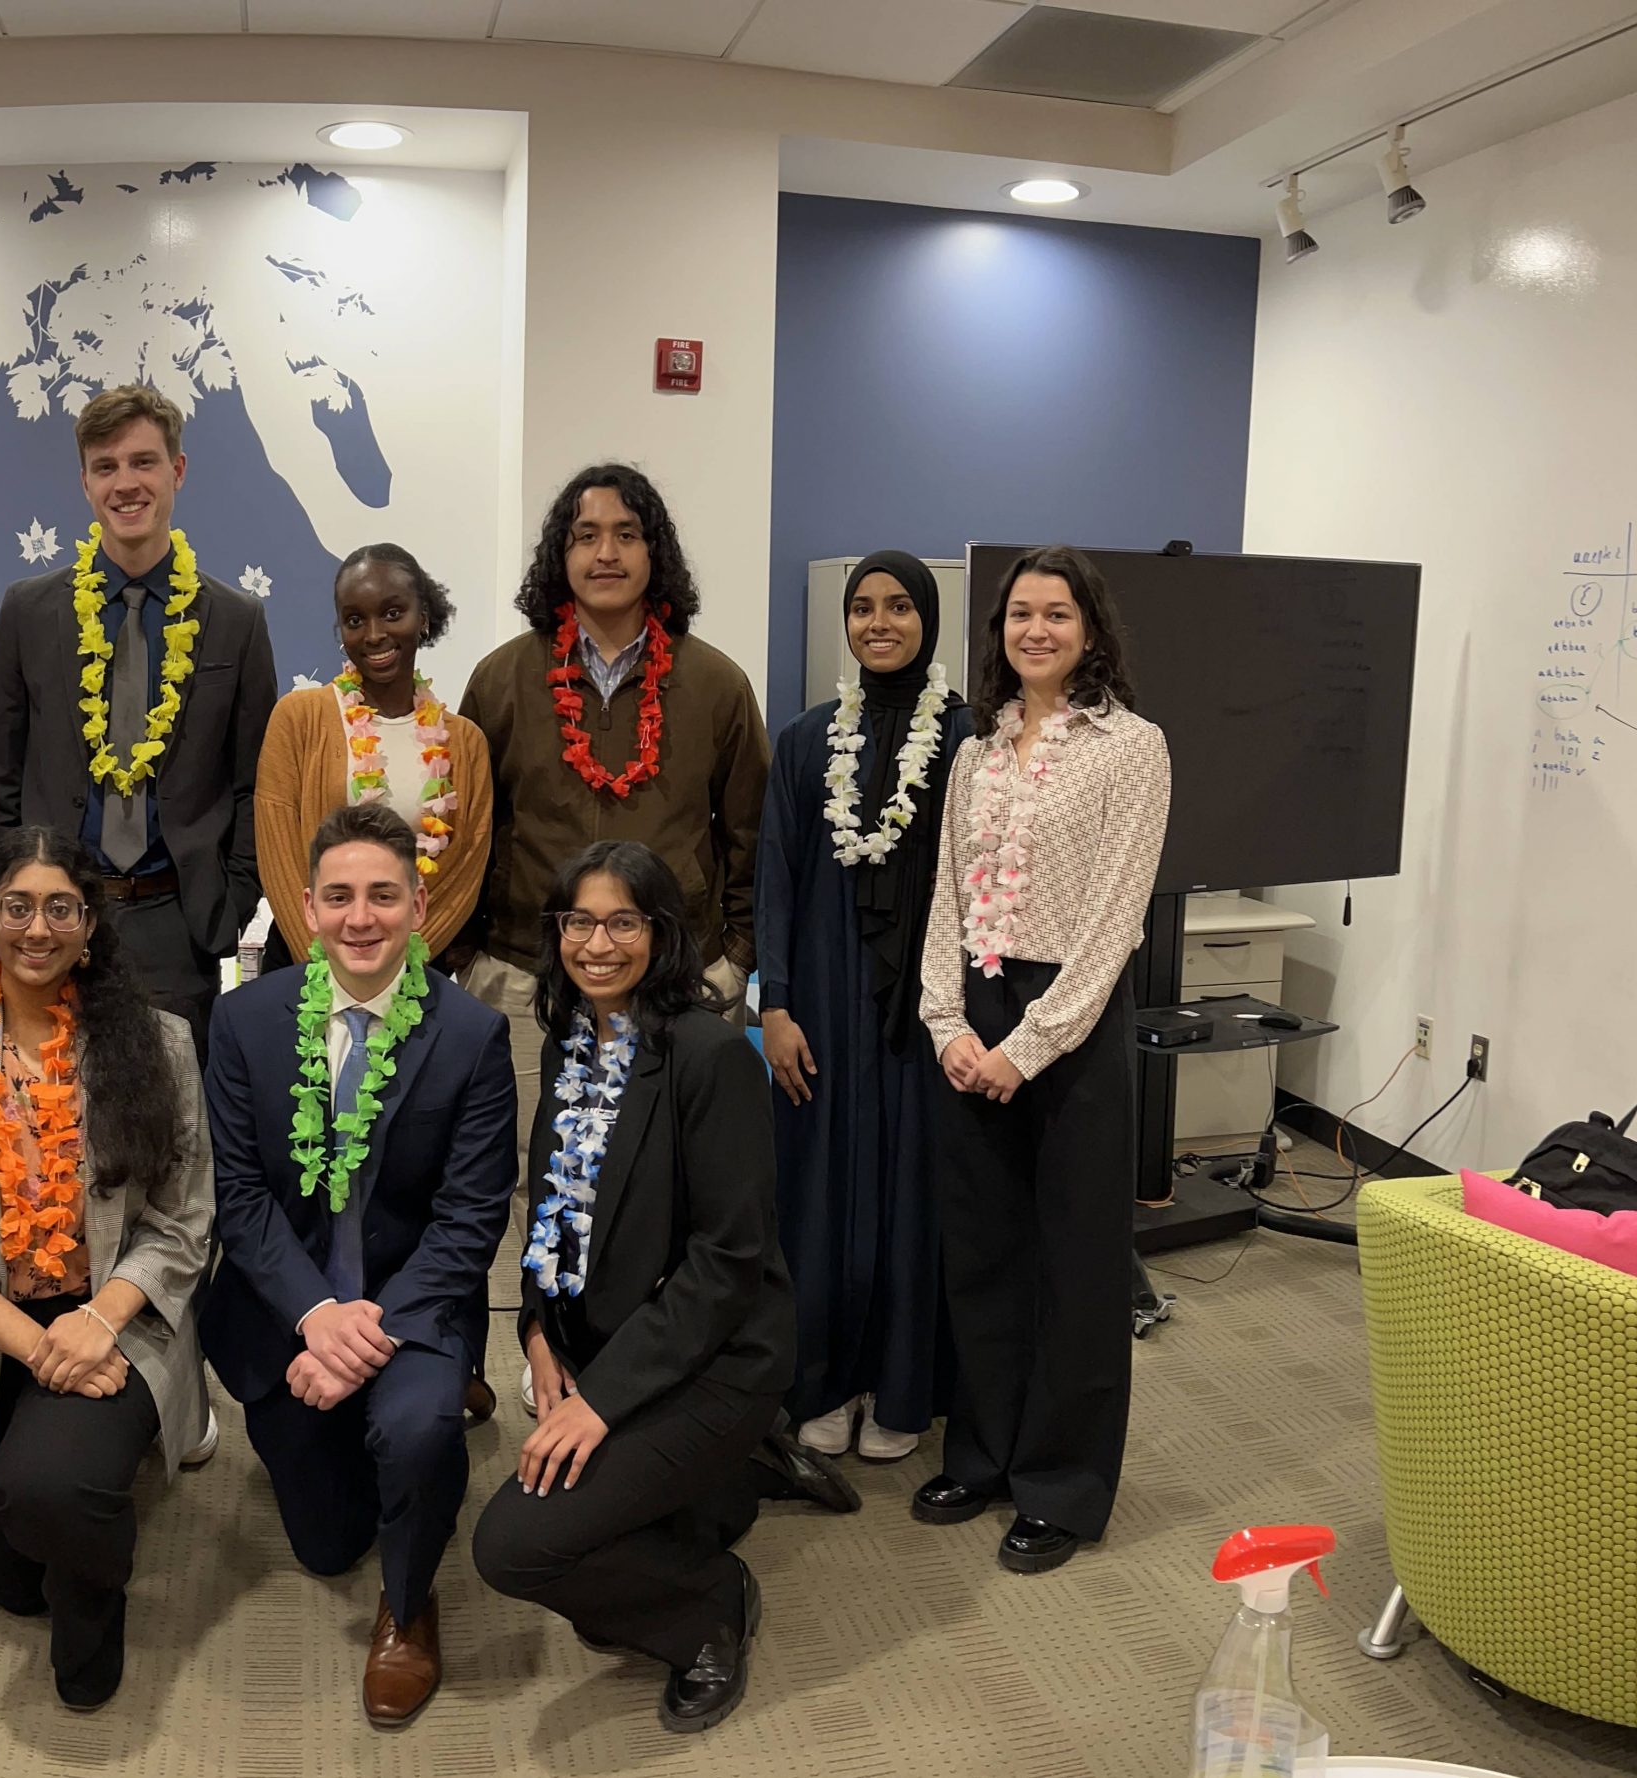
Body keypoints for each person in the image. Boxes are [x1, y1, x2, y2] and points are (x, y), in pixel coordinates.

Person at [0, 825, 212, 1712]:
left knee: (47, 1499)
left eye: (61, 907)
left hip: (114, 1318)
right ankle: (78, 1490)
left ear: (90, 924)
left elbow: (184, 1222)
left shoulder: (162, 1045)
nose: (38, 928)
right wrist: (39, 1346)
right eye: (16, 906)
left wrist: (96, 1323)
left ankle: (100, 1592)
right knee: (11, 1582)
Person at [201, 802, 516, 1725]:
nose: (361, 917)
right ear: (305, 907)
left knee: (415, 1436)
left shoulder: (469, 1035)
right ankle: (368, 1423)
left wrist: (364, 1327)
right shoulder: (245, 1022)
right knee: (329, 1544)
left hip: (411, 1302)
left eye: (383, 895)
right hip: (288, 1310)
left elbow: (469, 1220)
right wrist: (314, 1316)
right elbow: (241, 1200)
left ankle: (410, 1609)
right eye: (338, 897)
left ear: (419, 905)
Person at [472, 843, 794, 1736]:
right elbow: (547, 1216)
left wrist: (601, 1404)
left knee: (512, 1549)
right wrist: (536, 1337)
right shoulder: (571, 1043)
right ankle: (723, 1490)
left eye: (624, 922)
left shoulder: (711, 1055)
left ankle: (709, 1609)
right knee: (591, 1518)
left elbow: (727, 1264)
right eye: (579, 921)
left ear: (663, 933)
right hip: (605, 1342)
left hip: (717, 1360)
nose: (598, 944)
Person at [911, 544, 1169, 1575]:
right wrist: (944, 1021)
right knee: (980, 1250)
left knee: (1073, 1260)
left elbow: (1115, 921)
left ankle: (1060, 1482)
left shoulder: (1133, 747)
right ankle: (982, 1452)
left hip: (1073, 1012)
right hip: (976, 1001)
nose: (1035, 630)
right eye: (1019, 613)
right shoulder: (976, 746)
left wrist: (1027, 1045)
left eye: (1056, 613)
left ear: (1091, 630)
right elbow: (948, 893)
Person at [457, 463, 766, 1151]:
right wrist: (470, 955)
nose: (605, 553)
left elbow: (753, 837)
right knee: (519, 1177)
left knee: (666, 1173)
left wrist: (735, 957)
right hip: (522, 978)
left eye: (626, 534)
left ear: (654, 553)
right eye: (586, 535)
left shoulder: (716, 682)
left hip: (679, 981)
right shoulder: (501, 678)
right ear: (559, 556)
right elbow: (466, 831)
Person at [0, 383, 278, 1058]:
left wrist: (232, 898)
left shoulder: (235, 621)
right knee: (43, 1120)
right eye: (106, 467)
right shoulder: (29, 610)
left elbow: (258, 781)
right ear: (84, 482)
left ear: (178, 471)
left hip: (178, 918)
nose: (125, 483)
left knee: (171, 1129)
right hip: (51, 918)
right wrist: (6, 901)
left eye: (143, 462)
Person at [757, 551, 972, 1462]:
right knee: (820, 1189)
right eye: (861, 608)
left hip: (929, 1007)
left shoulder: (971, 741)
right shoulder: (808, 741)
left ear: (928, 616)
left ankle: (900, 1388)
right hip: (824, 1004)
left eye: (897, 607)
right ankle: (826, 1380)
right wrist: (774, 1006)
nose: (877, 622)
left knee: (914, 1189)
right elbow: (774, 875)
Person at [254, 542, 491, 966]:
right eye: (355, 620)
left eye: (393, 613)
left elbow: (463, 872)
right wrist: (328, 968)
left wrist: (396, 967)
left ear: (424, 619)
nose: (374, 634)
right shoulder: (298, 719)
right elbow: (280, 857)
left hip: (415, 970)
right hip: (304, 964)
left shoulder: (465, 743)